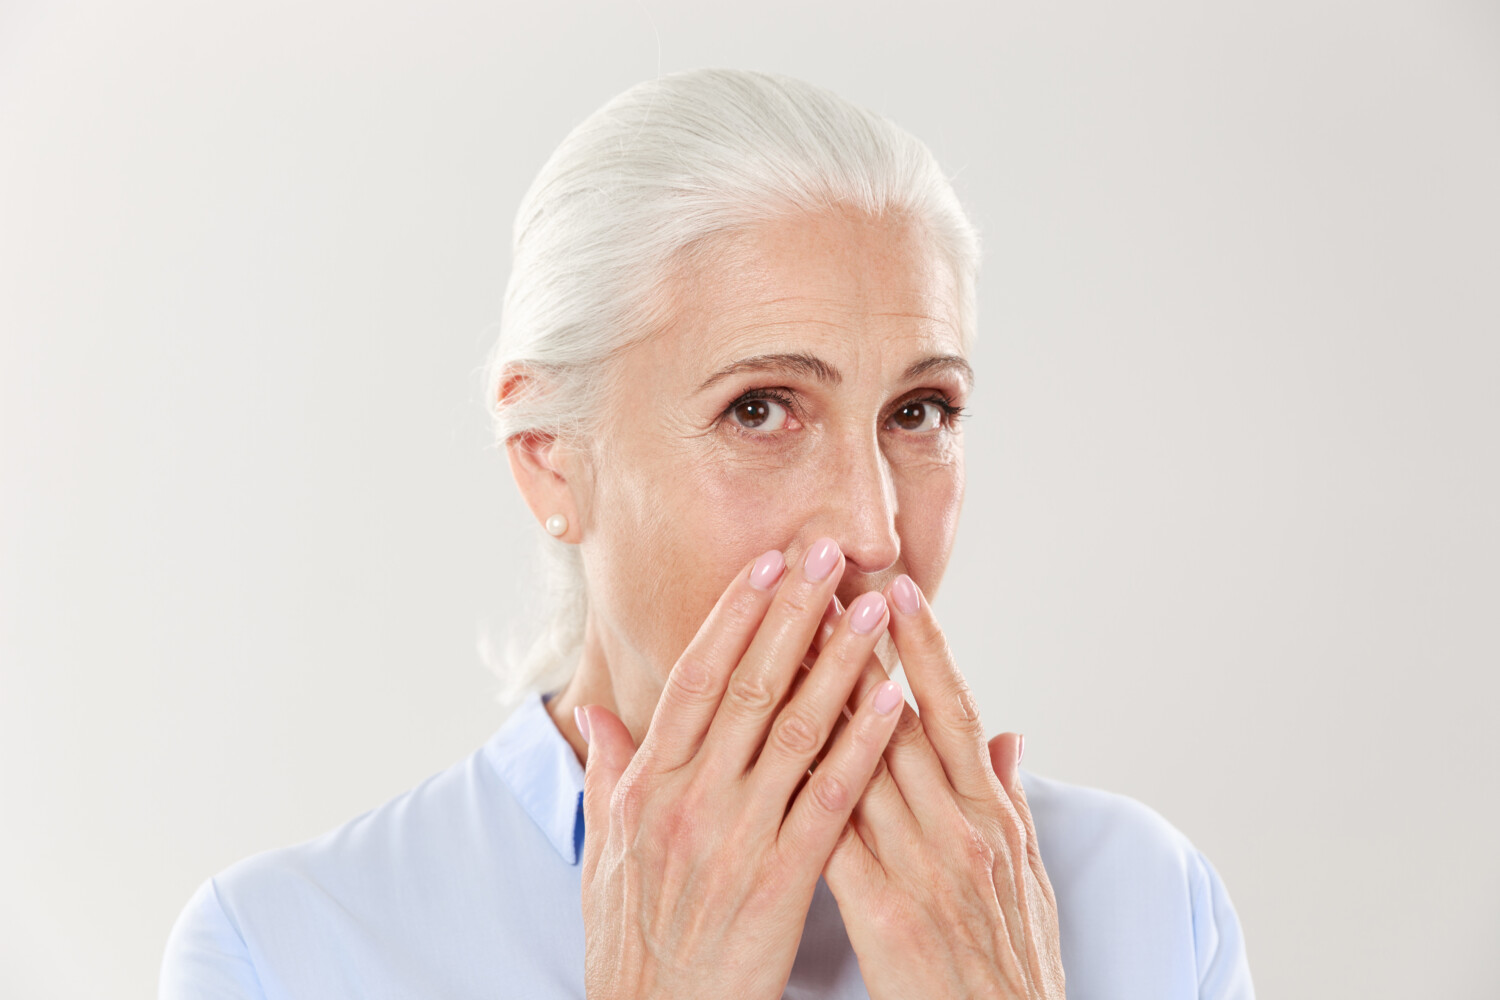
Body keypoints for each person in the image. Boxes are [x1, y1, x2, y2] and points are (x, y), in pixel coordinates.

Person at [160, 68, 1255, 999]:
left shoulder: (1148, 901)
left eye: (920, 412)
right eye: (761, 408)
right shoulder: (287, 951)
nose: (873, 532)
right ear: (550, 455)